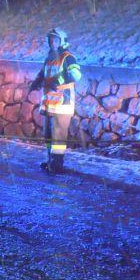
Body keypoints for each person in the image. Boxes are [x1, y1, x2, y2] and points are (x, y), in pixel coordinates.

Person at [29, 28, 82, 174]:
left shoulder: (68, 58)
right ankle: (50, 161)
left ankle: (57, 165)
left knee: (58, 135)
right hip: (49, 103)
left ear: (62, 41)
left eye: (56, 40)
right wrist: (36, 83)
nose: (52, 42)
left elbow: (76, 75)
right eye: (51, 40)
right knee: (48, 134)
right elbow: (43, 73)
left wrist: (58, 82)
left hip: (63, 102)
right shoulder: (50, 58)